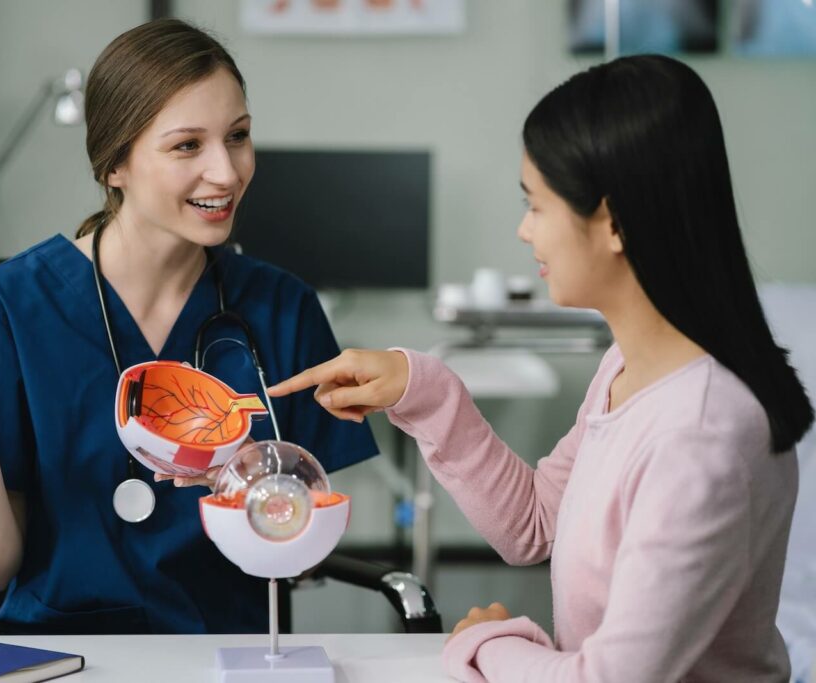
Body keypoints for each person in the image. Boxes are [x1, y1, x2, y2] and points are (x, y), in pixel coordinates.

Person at [269, 54, 814, 681]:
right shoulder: (629, 369)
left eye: (537, 205)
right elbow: (531, 524)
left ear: (611, 221)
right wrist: (423, 389)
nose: (525, 231)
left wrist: (488, 642)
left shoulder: (701, 433)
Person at [0, 18, 377, 635]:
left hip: (233, 657)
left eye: (238, 136)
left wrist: (254, 483)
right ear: (114, 164)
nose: (227, 173)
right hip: (62, 659)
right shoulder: (2, 311)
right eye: (186, 146)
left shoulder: (282, 308)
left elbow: (300, 547)